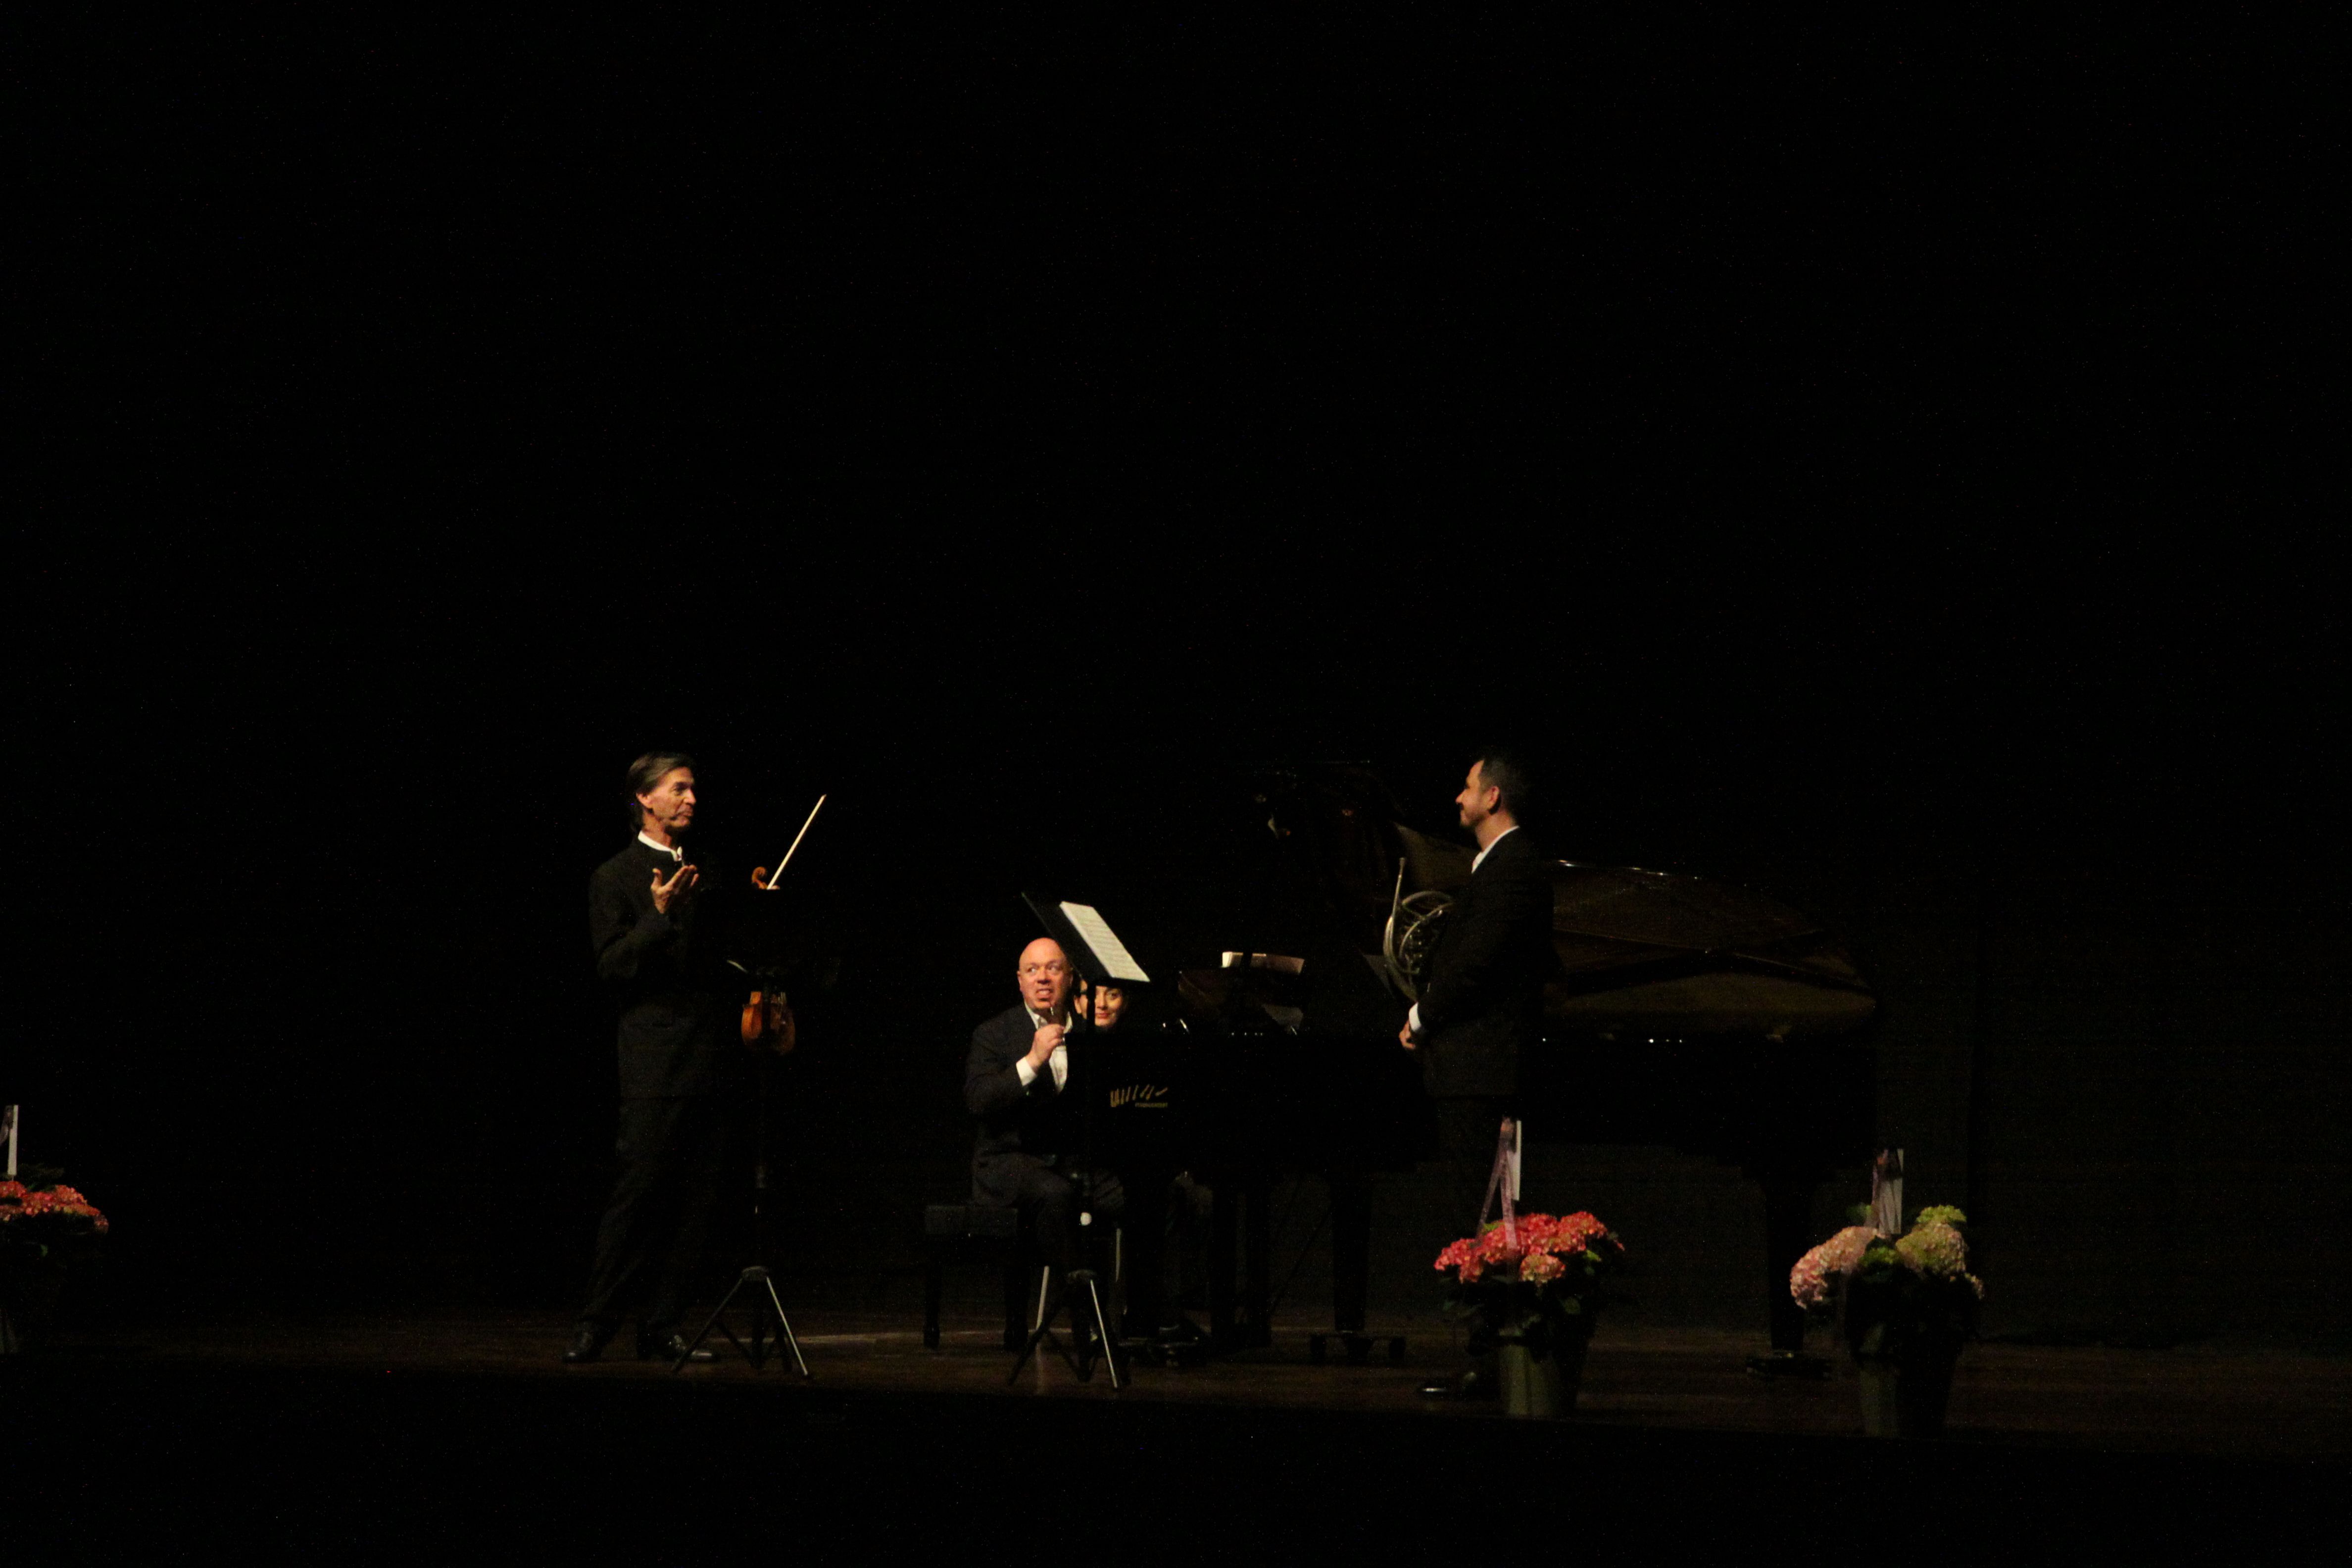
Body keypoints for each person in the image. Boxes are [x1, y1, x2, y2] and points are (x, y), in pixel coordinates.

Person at [564, 752, 742, 1364]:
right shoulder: (614, 877)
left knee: (697, 1204)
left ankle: (663, 1324)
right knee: (637, 1197)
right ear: (645, 798)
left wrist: (754, 922)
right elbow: (612, 967)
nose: (691, 799)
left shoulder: (708, 871)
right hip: (653, 1062)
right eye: (679, 789)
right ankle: (596, 1322)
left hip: (713, 1056)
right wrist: (660, 915)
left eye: (693, 790)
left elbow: (726, 961)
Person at [1400, 746, 1557, 1396]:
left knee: (1486, 1215)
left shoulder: (1514, 866)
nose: (1459, 798)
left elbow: (1474, 967)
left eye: (1467, 787)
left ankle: (1490, 1361)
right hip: (1474, 1067)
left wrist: (1421, 1016)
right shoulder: (1500, 866)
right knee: (1483, 1212)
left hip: (1481, 1067)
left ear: (1493, 797)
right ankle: (1490, 1357)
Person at [965, 938, 1125, 1325]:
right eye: (1033, 971)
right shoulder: (994, 1034)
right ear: (1019, 981)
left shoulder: (1090, 1036)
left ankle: (1147, 1311)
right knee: (1057, 1195)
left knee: (1142, 1194)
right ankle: (1085, 1314)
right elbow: (979, 1101)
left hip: (1069, 1160)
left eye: (1053, 969)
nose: (1043, 979)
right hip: (1009, 1161)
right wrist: (1033, 1061)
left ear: (1069, 979)